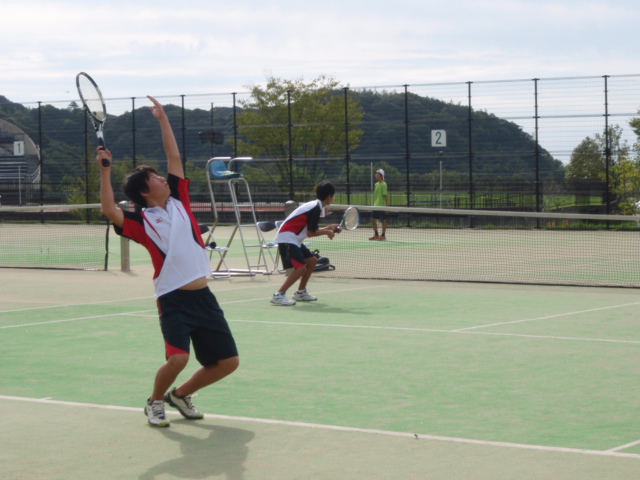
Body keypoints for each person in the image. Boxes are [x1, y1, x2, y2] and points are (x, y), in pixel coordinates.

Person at [97, 96, 239, 428]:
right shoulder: (141, 222)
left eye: (162, 176)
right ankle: (154, 402)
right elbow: (109, 211)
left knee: (228, 362)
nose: (163, 178)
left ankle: (180, 395)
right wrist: (105, 172)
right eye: (156, 178)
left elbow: (173, 155)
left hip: (204, 297)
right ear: (145, 192)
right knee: (178, 357)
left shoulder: (179, 200)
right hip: (173, 298)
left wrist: (163, 119)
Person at [270, 181, 341, 306]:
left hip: (294, 239)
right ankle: (279, 295)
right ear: (329, 196)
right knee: (300, 269)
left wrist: (328, 228)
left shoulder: (315, 205)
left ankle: (301, 292)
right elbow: (311, 234)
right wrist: (327, 232)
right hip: (287, 238)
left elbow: (310, 230)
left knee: (312, 261)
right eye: (333, 195)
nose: (333, 198)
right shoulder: (315, 207)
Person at [370, 168, 389, 240]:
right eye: (376, 173)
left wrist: (386, 207)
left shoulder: (384, 184)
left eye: (377, 174)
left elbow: (386, 196)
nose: (376, 175)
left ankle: (383, 235)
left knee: (383, 220)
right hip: (376, 206)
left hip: (382, 206)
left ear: (381, 175)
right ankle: (376, 234)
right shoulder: (376, 184)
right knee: (373, 219)